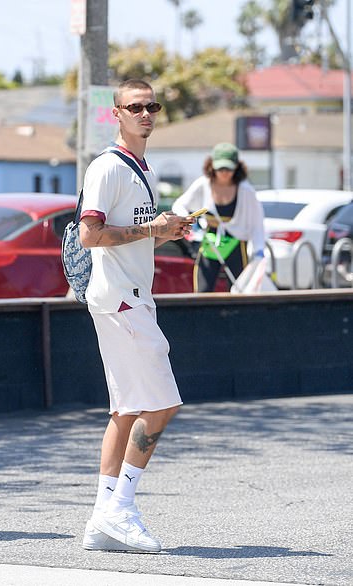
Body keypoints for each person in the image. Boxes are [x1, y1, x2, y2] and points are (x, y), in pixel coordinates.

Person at [78, 79, 193, 553]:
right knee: (162, 403)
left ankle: (102, 520)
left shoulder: (139, 167)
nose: (146, 113)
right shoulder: (108, 166)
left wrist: (167, 232)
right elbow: (90, 235)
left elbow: (133, 235)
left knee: (125, 410)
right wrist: (152, 226)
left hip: (127, 297)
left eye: (152, 106)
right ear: (116, 114)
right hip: (122, 300)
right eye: (135, 107)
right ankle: (120, 509)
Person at [172, 143, 265, 292]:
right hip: (211, 242)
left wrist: (259, 250)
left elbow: (257, 223)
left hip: (237, 243)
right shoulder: (203, 184)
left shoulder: (246, 190)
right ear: (212, 166)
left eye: (229, 168)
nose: (224, 173)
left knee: (239, 290)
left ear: (237, 167)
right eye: (220, 168)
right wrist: (189, 222)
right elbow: (179, 205)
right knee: (202, 290)